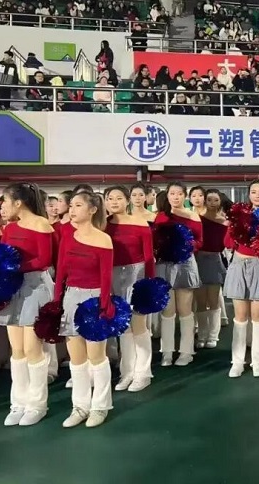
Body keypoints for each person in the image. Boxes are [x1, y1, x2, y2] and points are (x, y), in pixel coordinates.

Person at [55, 192, 115, 428]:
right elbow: (61, 271)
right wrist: (56, 302)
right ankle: (80, 406)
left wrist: (104, 305)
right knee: (77, 359)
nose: (72, 210)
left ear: (92, 210)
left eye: (78, 205)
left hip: (94, 299)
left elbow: (106, 277)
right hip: (71, 297)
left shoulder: (103, 239)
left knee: (96, 357)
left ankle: (100, 406)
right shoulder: (67, 237)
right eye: (71, 205)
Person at [0, 183, 56, 426]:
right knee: (18, 350)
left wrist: (14, 267)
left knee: (33, 349)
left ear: (18, 202)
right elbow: (2, 254)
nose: (2, 205)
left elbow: (44, 259)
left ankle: (37, 404)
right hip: (13, 288)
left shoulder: (41, 224)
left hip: (35, 286)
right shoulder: (9, 227)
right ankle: (18, 402)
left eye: (5, 200)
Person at [104, 186, 155, 392]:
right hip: (113, 276)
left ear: (127, 201)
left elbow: (149, 256)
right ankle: (127, 372)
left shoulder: (140, 223)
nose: (114, 202)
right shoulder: (103, 225)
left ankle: (143, 373)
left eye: (118, 198)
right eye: (110, 198)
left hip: (137, 273)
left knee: (139, 325)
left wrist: (149, 284)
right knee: (123, 325)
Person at [223, 180, 259, 378]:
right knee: (240, 316)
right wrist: (232, 225)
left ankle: (257, 362)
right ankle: (237, 361)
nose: (257, 195)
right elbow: (228, 242)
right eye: (254, 191)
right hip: (239, 265)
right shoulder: (240, 215)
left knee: (258, 315)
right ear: (249, 195)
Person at [153, 182, 203, 367]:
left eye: (179, 193)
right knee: (167, 311)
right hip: (164, 264)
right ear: (167, 196)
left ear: (185, 196)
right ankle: (167, 351)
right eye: (172, 193)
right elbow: (155, 239)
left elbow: (200, 241)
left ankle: (186, 351)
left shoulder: (192, 215)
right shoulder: (160, 216)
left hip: (185, 263)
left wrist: (185, 246)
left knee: (185, 309)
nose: (175, 197)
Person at [194, 188, 227, 350]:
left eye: (216, 200)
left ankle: (213, 336)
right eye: (209, 199)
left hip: (215, 260)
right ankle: (202, 335)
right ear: (205, 201)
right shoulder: (198, 219)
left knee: (213, 300)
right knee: (201, 301)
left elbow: (224, 244)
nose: (212, 203)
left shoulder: (224, 222)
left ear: (220, 202)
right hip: (198, 260)